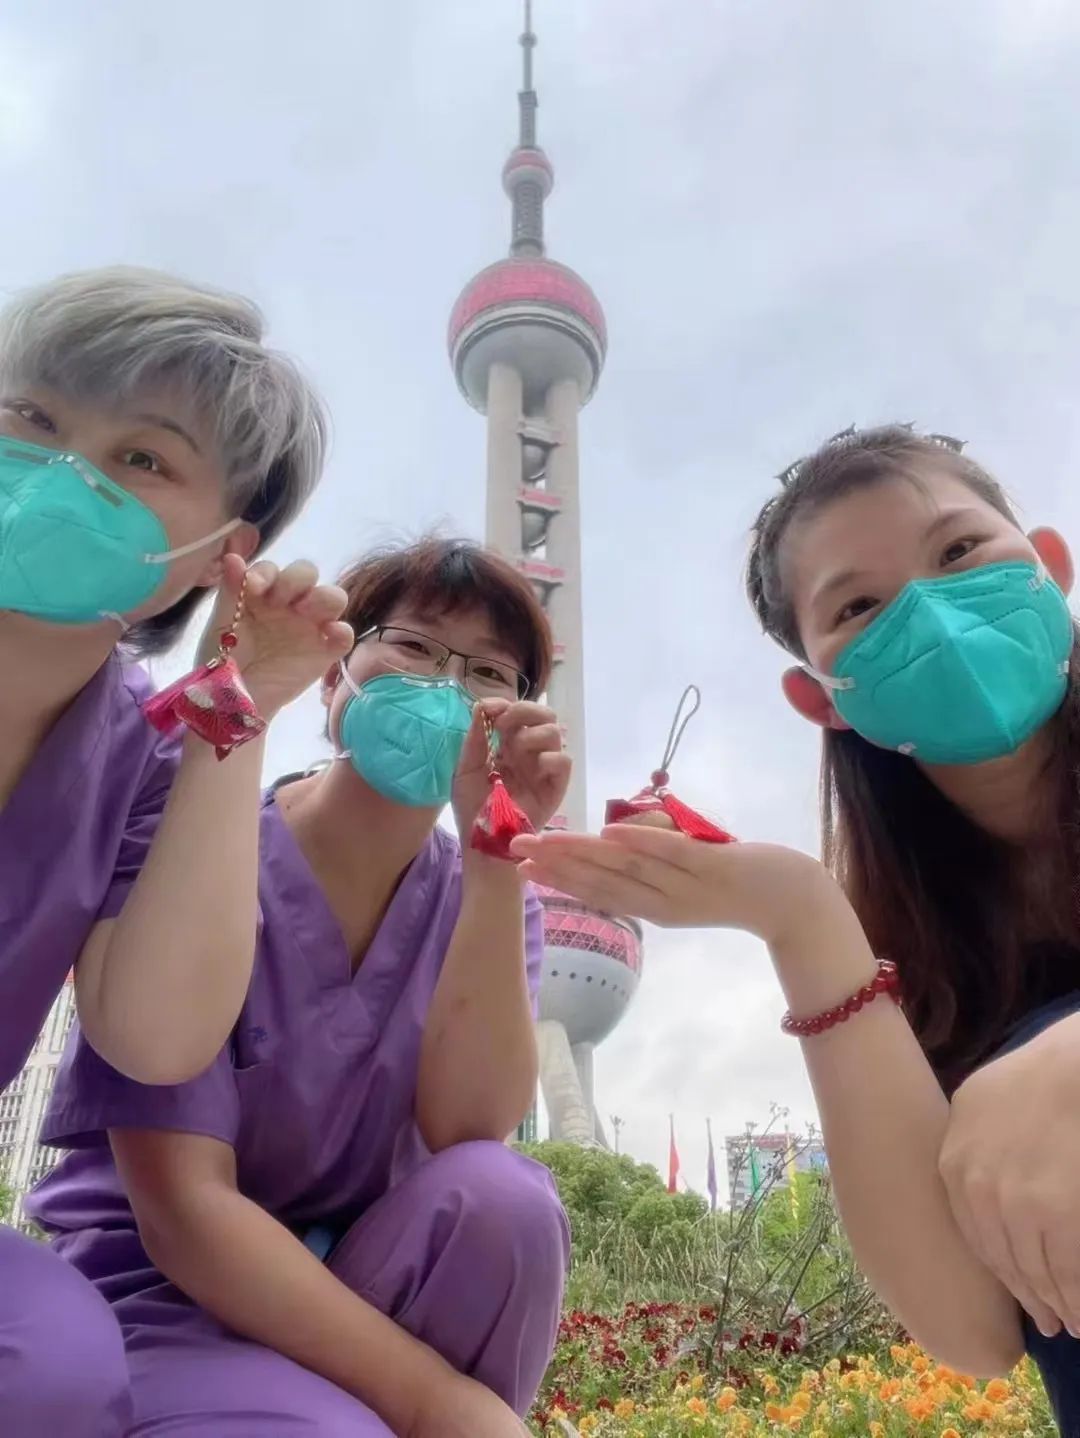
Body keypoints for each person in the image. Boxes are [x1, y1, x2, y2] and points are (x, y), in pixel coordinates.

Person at [511, 425, 1080, 1432]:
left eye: (958, 552)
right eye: (859, 607)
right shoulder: (911, 948)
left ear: (1049, 563)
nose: (929, 613)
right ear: (820, 697)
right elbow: (975, 1328)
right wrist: (799, 918)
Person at [30, 537, 572, 1438]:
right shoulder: (200, 847)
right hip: (173, 1293)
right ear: (332, 677)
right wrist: (436, 1402)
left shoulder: (488, 900)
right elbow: (183, 1208)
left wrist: (495, 853)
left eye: (487, 673)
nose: (446, 688)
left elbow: (469, 1134)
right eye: (415, 646)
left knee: (508, 1201)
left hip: (370, 1284)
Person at [0, 265, 332, 1437]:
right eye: (30, 416)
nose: (65, 471)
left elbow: (154, 1034)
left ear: (215, 554)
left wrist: (243, 705)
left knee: (47, 1370)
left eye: (141, 457)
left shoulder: (143, 761)